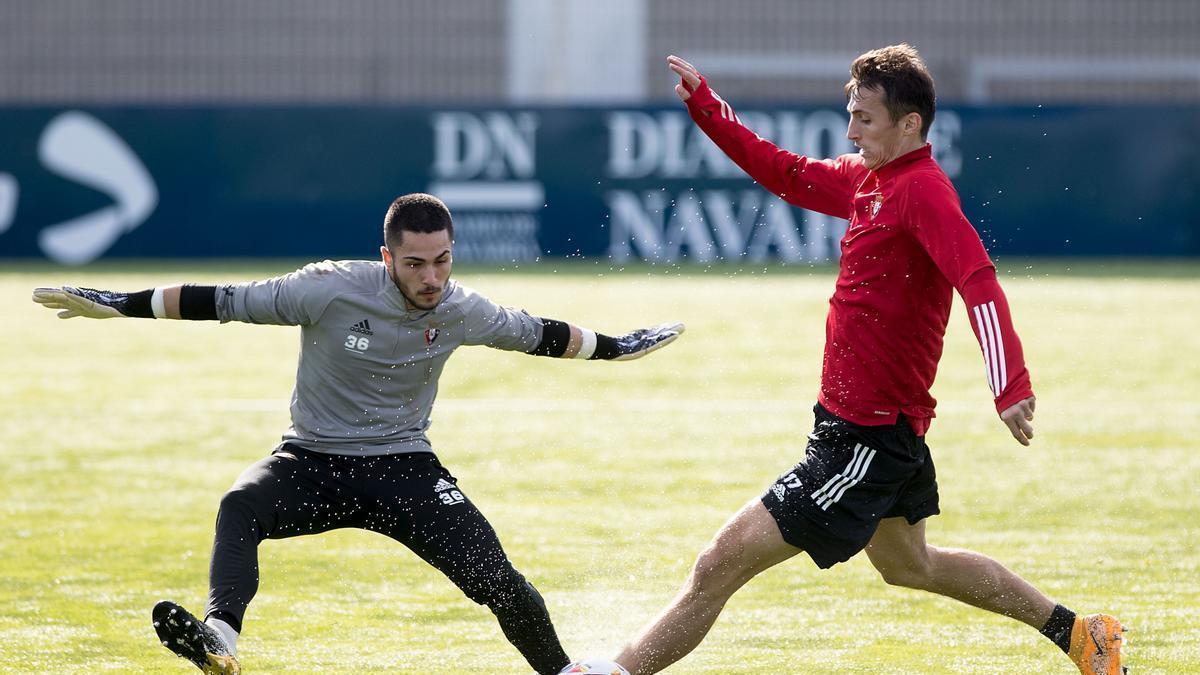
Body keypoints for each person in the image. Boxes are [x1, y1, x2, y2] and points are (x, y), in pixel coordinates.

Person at [609, 47, 1125, 674]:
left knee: (719, 564)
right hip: (873, 426)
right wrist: (708, 109)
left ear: (910, 124)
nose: (851, 132)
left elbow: (978, 279)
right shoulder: (869, 180)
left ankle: (615, 671)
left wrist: (1009, 382)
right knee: (913, 565)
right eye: (850, 116)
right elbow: (787, 173)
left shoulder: (923, 193)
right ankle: (1082, 636)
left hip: (867, 437)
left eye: (866, 120)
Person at [32, 193, 684, 675]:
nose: (432, 278)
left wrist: (619, 345)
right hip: (311, 460)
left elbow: (540, 332)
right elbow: (221, 299)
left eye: (442, 261)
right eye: (416, 263)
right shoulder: (328, 290)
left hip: (406, 467)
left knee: (498, 579)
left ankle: (565, 672)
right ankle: (220, 639)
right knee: (241, 504)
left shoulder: (461, 308)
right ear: (386, 258)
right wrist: (120, 302)